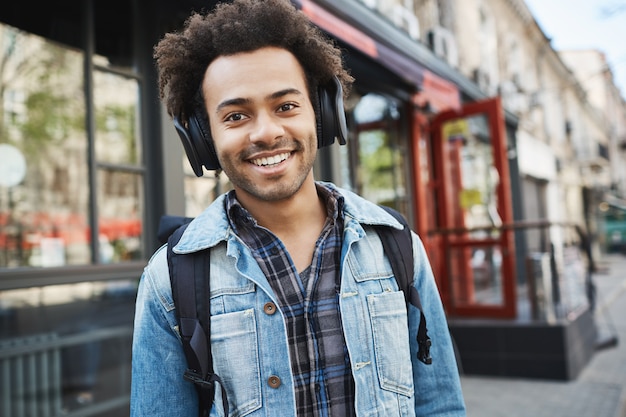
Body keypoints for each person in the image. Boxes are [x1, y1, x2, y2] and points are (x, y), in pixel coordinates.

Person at [130, 0, 466, 415]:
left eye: (286, 106)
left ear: (321, 113)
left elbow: (440, 405)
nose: (267, 132)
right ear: (203, 138)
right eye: (236, 115)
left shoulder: (397, 248)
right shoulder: (170, 279)